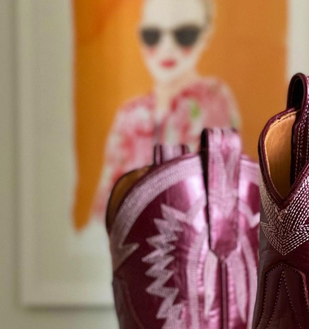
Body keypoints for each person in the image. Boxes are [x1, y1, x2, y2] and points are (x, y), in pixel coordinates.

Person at [93, 0, 240, 217]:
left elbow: (221, 200)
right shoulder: (129, 115)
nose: (167, 47)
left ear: (205, 36)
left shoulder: (213, 101)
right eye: (153, 35)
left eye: (184, 35)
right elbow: (104, 207)